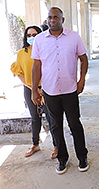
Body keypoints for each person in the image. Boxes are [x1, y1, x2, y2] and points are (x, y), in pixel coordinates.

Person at [32, 7, 89, 175]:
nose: (52, 20)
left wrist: (82, 80)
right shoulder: (39, 40)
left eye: (56, 17)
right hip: (50, 91)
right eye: (50, 17)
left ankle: (82, 157)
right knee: (56, 126)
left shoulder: (73, 37)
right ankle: (62, 159)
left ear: (62, 20)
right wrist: (35, 90)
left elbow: (83, 59)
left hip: (70, 90)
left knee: (75, 124)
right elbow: (36, 65)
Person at [10, 25, 56, 158]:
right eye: (29, 35)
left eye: (35, 35)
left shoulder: (46, 50)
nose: (32, 38)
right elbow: (19, 73)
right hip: (30, 89)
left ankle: (56, 146)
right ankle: (35, 144)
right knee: (35, 118)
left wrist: (42, 90)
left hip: (47, 89)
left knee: (51, 118)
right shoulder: (21, 53)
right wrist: (34, 89)